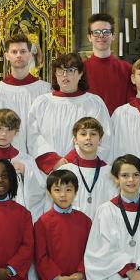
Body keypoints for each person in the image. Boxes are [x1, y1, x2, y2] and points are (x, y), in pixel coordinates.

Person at [26, 53, 112, 216]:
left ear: (80, 74)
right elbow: (33, 136)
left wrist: (71, 160)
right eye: (60, 71)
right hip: (51, 171)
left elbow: (103, 137)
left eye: (71, 70)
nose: (65, 75)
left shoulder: (94, 103)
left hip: (84, 172)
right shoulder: (42, 102)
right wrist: (55, 161)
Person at [0, 34, 50, 154]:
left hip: (39, 154)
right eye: (14, 52)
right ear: (7, 56)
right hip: (6, 154)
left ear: (30, 55)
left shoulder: (45, 90)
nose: (19, 55)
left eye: (23, 51)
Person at [55, 118, 114, 220]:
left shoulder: (110, 172)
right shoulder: (64, 171)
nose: (88, 138)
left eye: (93, 134)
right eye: (83, 134)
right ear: (75, 139)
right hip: (72, 226)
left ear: (100, 140)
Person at [82, 13, 133, 113]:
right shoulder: (80, 69)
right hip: (89, 126)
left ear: (113, 36)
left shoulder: (127, 69)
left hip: (119, 125)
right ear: (89, 37)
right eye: (96, 32)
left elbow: (132, 105)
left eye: (106, 31)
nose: (101, 35)